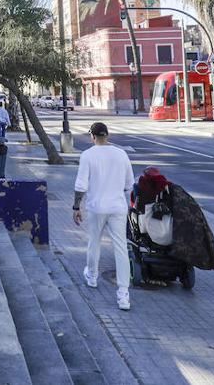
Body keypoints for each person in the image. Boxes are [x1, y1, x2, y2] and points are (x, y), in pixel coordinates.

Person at [73, 122, 135, 310]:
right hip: (117, 207)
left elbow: (81, 185)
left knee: (94, 242)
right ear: (107, 135)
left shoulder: (88, 155)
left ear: (92, 136)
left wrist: (76, 207)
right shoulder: (121, 154)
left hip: (96, 207)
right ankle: (123, 294)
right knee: (121, 248)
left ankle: (92, 276)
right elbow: (129, 184)